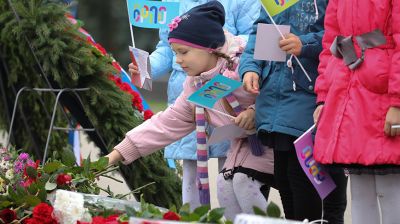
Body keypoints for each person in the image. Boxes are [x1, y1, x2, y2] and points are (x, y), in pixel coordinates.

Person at [111, 2, 274, 220]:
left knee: (244, 182)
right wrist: (113, 156)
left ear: (210, 47)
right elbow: (165, 124)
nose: (177, 60)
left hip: (272, 137)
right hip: (233, 133)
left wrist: (256, 110)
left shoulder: (244, 63)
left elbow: (277, 82)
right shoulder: (194, 85)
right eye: (175, 52)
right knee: (223, 185)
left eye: (183, 52)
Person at [239, 1, 347, 223]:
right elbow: (263, 31)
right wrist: (251, 68)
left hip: (310, 96)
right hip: (275, 103)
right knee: (285, 180)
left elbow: (342, 35)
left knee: (303, 180)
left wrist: (305, 44)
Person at [313, 0, 400, 223]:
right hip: (349, 93)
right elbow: (330, 43)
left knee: (390, 187)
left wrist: (397, 103)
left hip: (384, 96)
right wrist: (323, 96)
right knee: (360, 190)